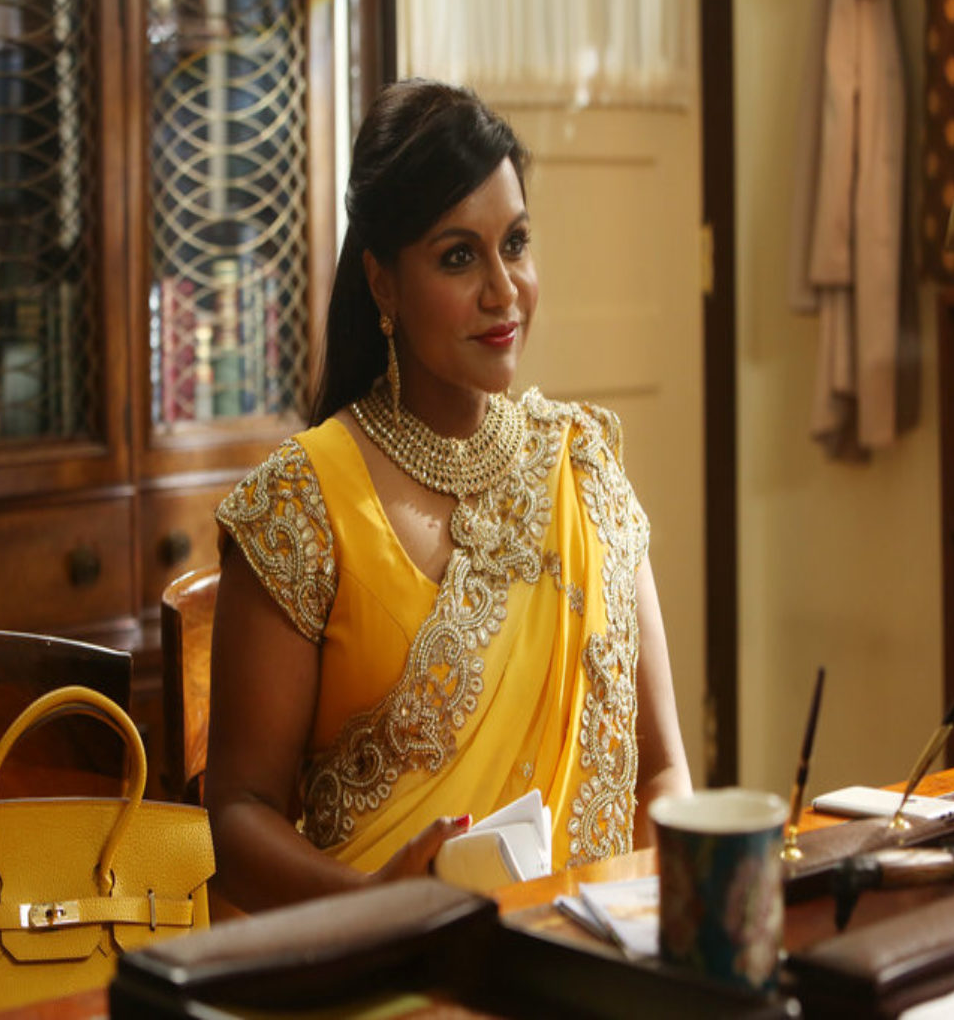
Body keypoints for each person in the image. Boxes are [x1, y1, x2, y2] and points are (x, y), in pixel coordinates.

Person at [206, 78, 692, 912]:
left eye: (517, 244)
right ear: (383, 284)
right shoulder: (302, 505)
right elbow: (237, 816)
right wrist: (380, 909)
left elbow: (662, 771)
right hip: (385, 956)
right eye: (459, 256)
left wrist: (656, 926)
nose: (504, 291)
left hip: (588, 949)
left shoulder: (584, 467)